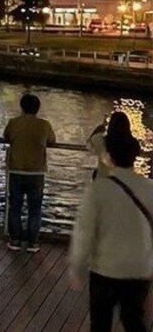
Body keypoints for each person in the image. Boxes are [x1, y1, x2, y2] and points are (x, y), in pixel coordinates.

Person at [69, 112, 153, 332]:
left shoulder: (98, 190)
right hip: (140, 267)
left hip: (105, 268)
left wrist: (77, 266)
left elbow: (85, 232)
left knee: (100, 323)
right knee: (134, 321)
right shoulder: (149, 188)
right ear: (135, 156)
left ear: (110, 156)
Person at [3, 94, 56, 253]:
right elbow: (52, 140)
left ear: (22, 107)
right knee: (35, 208)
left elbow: (7, 137)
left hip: (16, 169)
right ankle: (33, 242)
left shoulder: (13, 123)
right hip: (36, 172)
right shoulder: (44, 125)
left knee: (15, 207)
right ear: (37, 108)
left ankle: (15, 240)